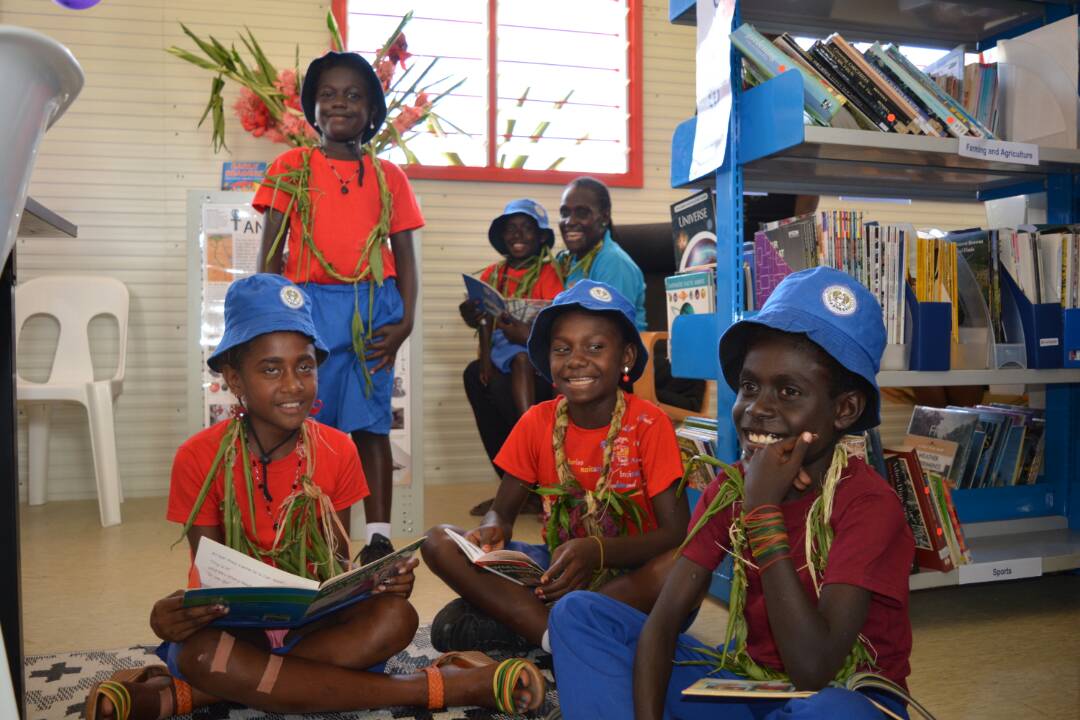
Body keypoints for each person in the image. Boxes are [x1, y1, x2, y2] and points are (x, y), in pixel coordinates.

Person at [83, 274, 545, 720]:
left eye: (304, 366)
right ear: (234, 378)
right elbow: (210, 572)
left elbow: (334, 565)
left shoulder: (338, 449)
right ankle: (443, 687)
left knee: (396, 618)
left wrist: (373, 583)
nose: (292, 385)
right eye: (270, 369)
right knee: (201, 651)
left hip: (312, 628)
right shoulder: (198, 457)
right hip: (239, 632)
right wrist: (173, 616)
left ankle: (186, 697)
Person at [548, 267, 917, 720]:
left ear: (844, 409)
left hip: (839, 691)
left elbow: (813, 669)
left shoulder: (868, 505)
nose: (758, 409)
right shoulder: (729, 488)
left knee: (835, 713)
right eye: (749, 386)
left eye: (789, 391)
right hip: (751, 684)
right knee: (579, 615)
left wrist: (763, 512)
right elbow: (662, 626)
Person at [423, 280, 689, 654]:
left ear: (627, 357)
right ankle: (556, 636)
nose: (576, 359)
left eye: (595, 347)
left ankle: (536, 625)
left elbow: (676, 532)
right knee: (439, 541)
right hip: (556, 570)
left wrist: (597, 551)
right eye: (562, 349)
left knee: (680, 565)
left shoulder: (649, 424)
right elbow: (502, 510)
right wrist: (490, 530)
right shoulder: (537, 421)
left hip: (629, 576)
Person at [254, 50, 424, 564]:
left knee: (371, 424)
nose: (340, 103)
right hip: (308, 311)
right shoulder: (291, 167)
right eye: (328, 94)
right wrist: (271, 323)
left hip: (375, 312)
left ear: (372, 110)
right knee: (309, 423)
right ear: (312, 107)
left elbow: (407, 258)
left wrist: (405, 322)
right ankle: (313, 529)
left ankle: (376, 537)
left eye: (354, 95)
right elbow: (269, 254)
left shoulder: (390, 176)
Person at [460, 198, 565, 516]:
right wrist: (471, 314)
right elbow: (481, 322)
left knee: (521, 362)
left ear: (541, 237)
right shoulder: (492, 274)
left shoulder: (550, 273)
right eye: (511, 229)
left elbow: (558, 320)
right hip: (501, 354)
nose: (517, 235)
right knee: (473, 375)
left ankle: (530, 431)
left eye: (526, 228)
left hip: (539, 360)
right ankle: (515, 488)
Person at [556, 177, 646, 330]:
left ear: (604, 218)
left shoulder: (614, 263)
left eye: (582, 213)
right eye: (565, 213)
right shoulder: (567, 260)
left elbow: (608, 330)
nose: (569, 222)